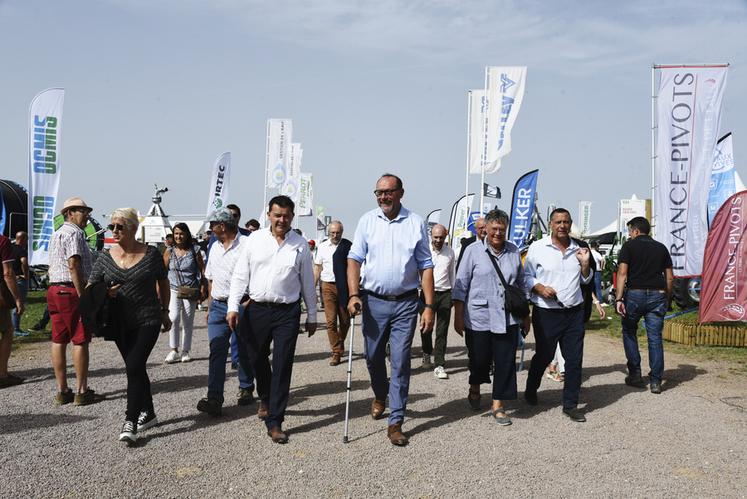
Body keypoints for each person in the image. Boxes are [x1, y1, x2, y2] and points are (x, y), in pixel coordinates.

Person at [347, 173, 435, 446]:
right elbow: (354, 260)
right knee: (372, 357)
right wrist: (353, 295)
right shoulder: (366, 221)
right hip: (373, 302)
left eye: (388, 192)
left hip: (406, 303)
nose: (383, 197)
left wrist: (429, 306)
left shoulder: (415, 222)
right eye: (379, 192)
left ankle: (395, 420)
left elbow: (426, 265)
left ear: (400, 192)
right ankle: (380, 393)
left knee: (400, 361)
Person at [227, 195, 317, 444]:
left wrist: (311, 314)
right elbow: (240, 275)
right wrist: (233, 307)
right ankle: (265, 395)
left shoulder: (300, 245)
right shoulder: (254, 240)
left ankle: (275, 420)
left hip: (287, 311)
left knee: (282, 363)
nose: (282, 219)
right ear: (269, 214)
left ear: (292, 217)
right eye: (277, 215)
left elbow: (307, 282)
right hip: (256, 308)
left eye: (287, 215)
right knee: (254, 356)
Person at [88, 207, 172, 445]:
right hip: (119, 322)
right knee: (135, 368)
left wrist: (165, 311)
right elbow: (91, 287)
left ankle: (130, 421)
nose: (114, 230)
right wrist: (106, 291)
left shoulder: (152, 254)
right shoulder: (105, 256)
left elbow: (163, 282)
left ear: (134, 228)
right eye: (112, 226)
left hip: (148, 318)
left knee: (134, 365)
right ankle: (150, 412)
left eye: (120, 226)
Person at [452, 209, 528, 425]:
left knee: (505, 361)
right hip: (479, 317)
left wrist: (525, 315)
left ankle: (498, 404)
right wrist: (458, 315)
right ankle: (475, 386)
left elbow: (520, 284)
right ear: (486, 229)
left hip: (507, 317)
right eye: (494, 229)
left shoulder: (514, 251)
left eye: (501, 230)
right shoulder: (473, 251)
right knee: (479, 360)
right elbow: (461, 284)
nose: (497, 233)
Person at [523, 208, 593, 423]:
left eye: (566, 222)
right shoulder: (538, 248)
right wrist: (539, 287)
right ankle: (531, 388)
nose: (562, 226)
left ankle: (570, 404)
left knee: (573, 360)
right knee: (544, 355)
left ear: (571, 224)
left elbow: (586, 280)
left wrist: (585, 265)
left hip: (574, 312)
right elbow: (525, 276)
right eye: (558, 222)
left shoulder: (580, 248)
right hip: (546, 312)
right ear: (551, 224)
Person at [197, 208, 256, 416]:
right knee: (217, 351)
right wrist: (210, 305)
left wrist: (249, 302)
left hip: (242, 305)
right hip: (219, 307)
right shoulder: (214, 247)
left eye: (212, 225)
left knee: (243, 349)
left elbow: (256, 273)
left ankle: (246, 387)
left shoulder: (247, 245)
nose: (210, 229)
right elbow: (211, 279)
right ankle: (214, 398)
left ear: (222, 226)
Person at [47, 197, 100, 406]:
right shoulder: (75, 233)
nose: (87, 215)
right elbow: (73, 264)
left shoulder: (57, 234)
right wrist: (82, 294)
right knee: (80, 338)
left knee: (58, 339)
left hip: (54, 289)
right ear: (70, 213)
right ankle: (81, 389)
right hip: (70, 290)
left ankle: (62, 389)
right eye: (83, 211)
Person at [615, 216, 673, 394]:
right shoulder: (661, 247)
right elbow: (669, 277)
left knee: (629, 331)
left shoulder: (629, 246)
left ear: (636, 231)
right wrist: (668, 298)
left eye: (630, 231)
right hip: (658, 295)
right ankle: (656, 381)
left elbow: (622, 273)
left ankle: (635, 374)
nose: (630, 235)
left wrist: (618, 299)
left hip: (635, 294)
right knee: (655, 337)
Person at [163, 223, 205, 364]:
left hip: (190, 289)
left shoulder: (195, 250)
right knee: (173, 317)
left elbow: (202, 270)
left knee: (187, 321)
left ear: (186, 234)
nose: (178, 236)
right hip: (173, 288)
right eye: (176, 233)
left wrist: (203, 286)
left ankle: (185, 351)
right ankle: (173, 349)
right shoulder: (169, 251)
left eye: (181, 233)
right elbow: (163, 272)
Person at [314, 221, 351, 366]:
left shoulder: (348, 246)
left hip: (343, 287)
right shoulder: (322, 247)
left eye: (338, 233)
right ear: (329, 233)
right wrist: (312, 287)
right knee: (330, 321)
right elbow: (318, 267)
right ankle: (336, 352)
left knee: (345, 320)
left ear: (342, 232)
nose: (335, 235)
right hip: (327, 285)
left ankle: (339, 342)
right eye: (332, 233)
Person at [421, 224, 455, 378]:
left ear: (445, 236)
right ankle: (427, 353)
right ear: (431, 237)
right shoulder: (425, 251)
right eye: (436, 237)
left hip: (445, 293)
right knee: (426, 327)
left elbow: (452, 274)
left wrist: (453, 292)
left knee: (442, 330)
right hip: (427, 294)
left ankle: (439, 364)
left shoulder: (450, 253)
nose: (438, 240)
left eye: (441, 237)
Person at [0, 233, 25, 388]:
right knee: (7, 330)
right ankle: (2, 374)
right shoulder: (2, 241)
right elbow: (8, 272)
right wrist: (17, 298)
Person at [11, 231, 29, 336]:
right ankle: (16, 329)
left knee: (9, 304)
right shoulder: (21, 250)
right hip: (19, 279)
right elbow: (24, 262)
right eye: (26, 239)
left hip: (9, 279)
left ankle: (10, 327)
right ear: (22, 239)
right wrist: (25, 275)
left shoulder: (9, 248)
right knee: (18, 303)